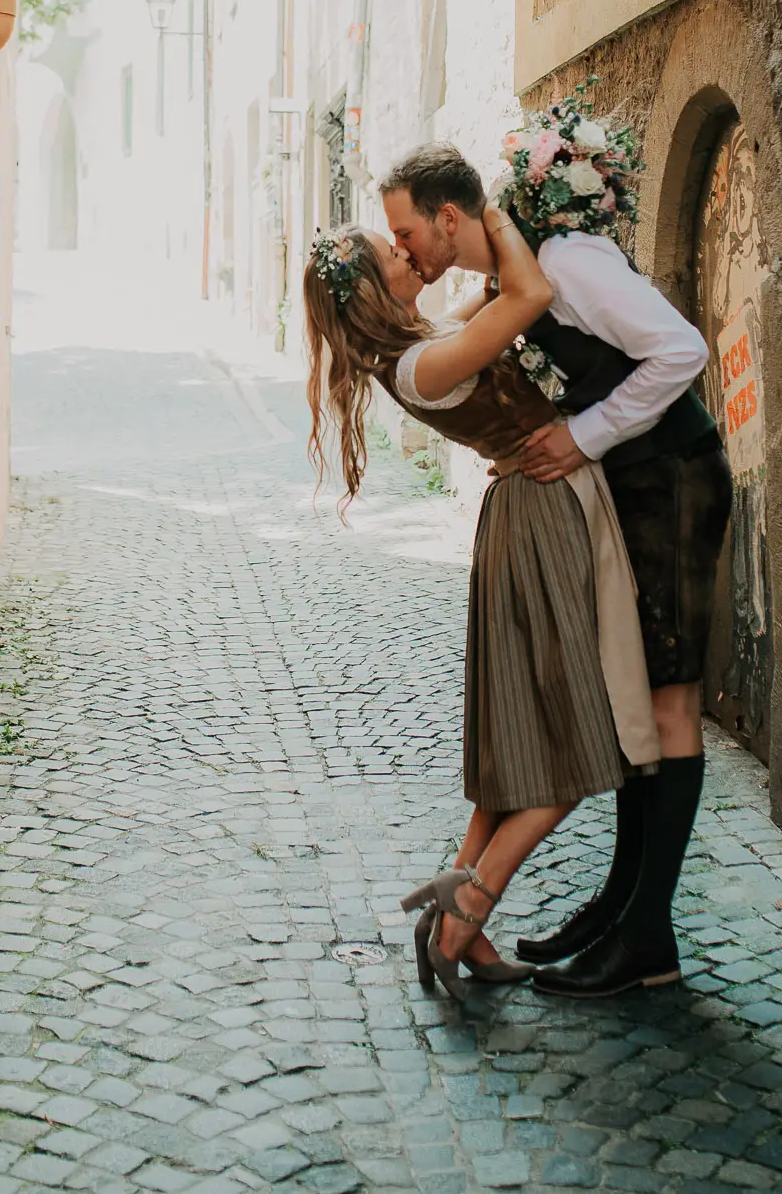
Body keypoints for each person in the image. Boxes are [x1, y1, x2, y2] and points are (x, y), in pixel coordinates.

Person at [381, 142, 732, 999]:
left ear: (449, 218)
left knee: (668, 703)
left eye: (405, 230)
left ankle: (647, 937)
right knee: (639, 706)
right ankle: (620, 904)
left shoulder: (566, 264)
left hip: (674, 480)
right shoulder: (506, 279)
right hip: (632, 488)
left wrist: (585, 434)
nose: (403, 249)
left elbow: (681, 352)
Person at [302, 201, 661, 1002]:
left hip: (530, 510)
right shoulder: (423, 363)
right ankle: (467, 910)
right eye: (389, 249)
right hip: (543, 515)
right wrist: (493, 207)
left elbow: (494, 299)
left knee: (520, 745)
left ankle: (455, 899)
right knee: (575, 747)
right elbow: (527, 298)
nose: (405, 250)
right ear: (370, 286)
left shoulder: (420, 347)